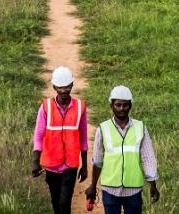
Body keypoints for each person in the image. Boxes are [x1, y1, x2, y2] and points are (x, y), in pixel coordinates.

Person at [85, 86, 159, 214]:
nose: (121, 109)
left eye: (125, 105)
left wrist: (153, 185)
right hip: (110, 189)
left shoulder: (140, 127)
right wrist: (93, 186)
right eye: (118, 105)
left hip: (134, 190)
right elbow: (97, 161)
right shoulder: (103, 129)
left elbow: (148, 158)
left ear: (130, 106)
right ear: (111, 106)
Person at [31, 66, 88, 214]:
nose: (64, 91)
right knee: (56, 202)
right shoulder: (46, 107)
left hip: (70, 165)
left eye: (67, 87)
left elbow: (83, 137)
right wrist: (36, 161)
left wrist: (85, 165)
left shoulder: (80, 108)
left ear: (72, 85)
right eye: (60, 87)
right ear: (54, 86)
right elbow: (38, 136)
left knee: (64, 204)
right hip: (51, 164)